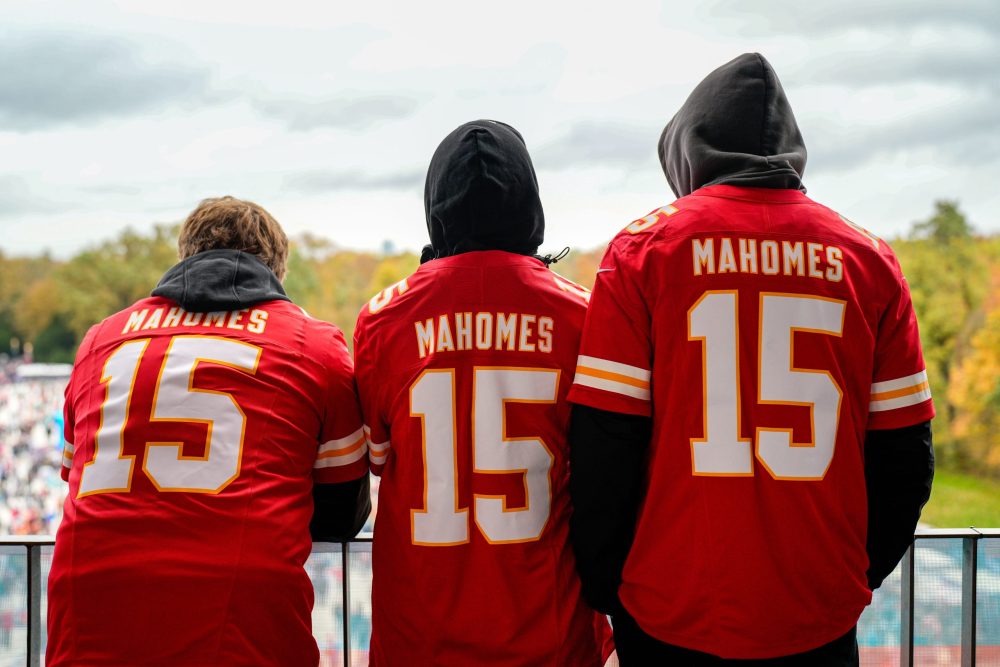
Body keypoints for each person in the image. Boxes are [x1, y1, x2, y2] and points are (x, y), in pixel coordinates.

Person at [568, 53, 935, 665]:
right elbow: (905, 455)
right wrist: (853, 574)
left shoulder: (642, 251)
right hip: (816, 612)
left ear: (687, 152)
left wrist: (611, 586)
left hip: (669, 608)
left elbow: (605, 445)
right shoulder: (869, 259)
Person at [47, 196, 371, 667]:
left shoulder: (101, 339)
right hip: (240, 614)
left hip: (90, 603)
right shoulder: (315, 344)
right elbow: (341, 513)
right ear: (277, 270)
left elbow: (75, 474)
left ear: (185, 255)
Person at [354, 120, 612, 666]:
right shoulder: (582, 314)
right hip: (550, 634)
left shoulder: (382, 319)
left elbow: (378, 458)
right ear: (529, 205)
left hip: (418, 637)